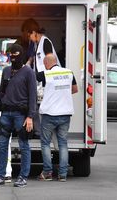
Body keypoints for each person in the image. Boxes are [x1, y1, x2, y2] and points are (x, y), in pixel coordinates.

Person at [0, 44, 37, 188]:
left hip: (21, 114)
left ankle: (23, 177)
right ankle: (0, 176)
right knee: (2, 146)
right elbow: (1, 92)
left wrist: (30, 116)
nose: (13, 57)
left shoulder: (28, 72)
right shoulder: (6, 71)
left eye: (16, 54)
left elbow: (33, 96)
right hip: (5, 113)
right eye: (11, 55)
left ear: (22, 54)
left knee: (24, 145)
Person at [37, 54, 78, 182]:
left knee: (45, 143)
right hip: (65, 114)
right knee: (63, 144)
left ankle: (48, 173)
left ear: (47, 63)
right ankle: (63, 174)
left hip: (49, 115)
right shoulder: (69, 72)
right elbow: (75, 89)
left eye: (45, 64)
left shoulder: (45, 74)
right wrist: (62, 93)